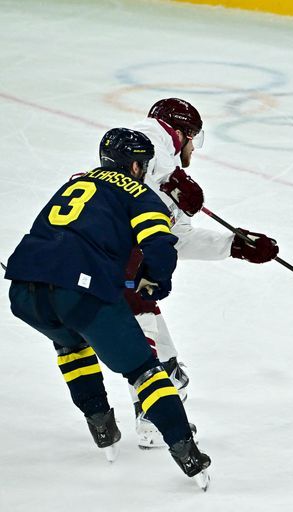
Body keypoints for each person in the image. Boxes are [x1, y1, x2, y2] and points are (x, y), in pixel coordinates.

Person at [4, 128, 211, 488]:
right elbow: (160, 245)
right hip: (79, 290)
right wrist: (157, 280)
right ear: (134, 165)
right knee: (144, 371)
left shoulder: (74, 183)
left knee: (70, 344)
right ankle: (187, 452)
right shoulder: (138, 192)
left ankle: (101, 426)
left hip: (24, 290)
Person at [124, 98, 279, 448]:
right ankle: (152, 414)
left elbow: (178, 240)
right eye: (192, 138)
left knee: (149, 329)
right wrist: (172, 176)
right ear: (179, 134)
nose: (193, 147)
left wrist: (235, 246)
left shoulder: (164, 187)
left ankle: (166, 380)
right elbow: (146, 141)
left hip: (120, 259)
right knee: (140, 320)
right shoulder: (152, 141)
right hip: (103, 256)